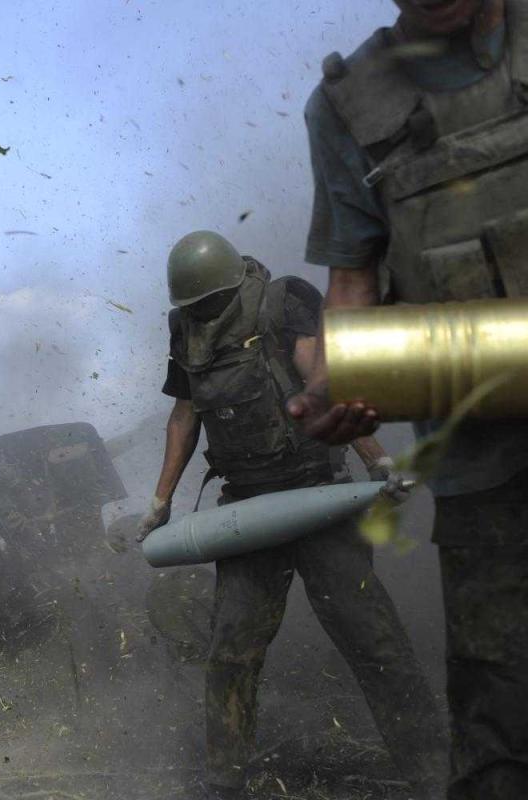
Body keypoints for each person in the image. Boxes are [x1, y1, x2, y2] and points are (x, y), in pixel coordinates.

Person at [289, 2, 528, 796]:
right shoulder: (347, 107)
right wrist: (337, 383)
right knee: (501, 733)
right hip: (484, 478)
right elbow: (352, 279)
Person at [114, 232, 446, 800]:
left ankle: (434, 772)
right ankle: (224, 783)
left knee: (376, 645)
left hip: (317, 498)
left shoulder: (282, 301)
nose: (200, 316)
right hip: (246, 511)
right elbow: (184, 414)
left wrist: (378, 460)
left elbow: (325, 384)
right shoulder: (184, 330)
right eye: (191, 309)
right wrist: (161, 500)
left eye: (206, 305)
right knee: (230, 654)